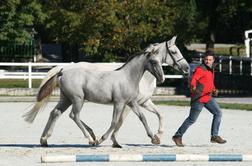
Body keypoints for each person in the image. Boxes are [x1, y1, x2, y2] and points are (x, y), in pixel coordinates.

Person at [172, 51, 226, 147]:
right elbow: (194, 80)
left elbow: (209, 81)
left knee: (218, 113)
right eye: (206, 59)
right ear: (203, 60)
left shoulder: (211, 69)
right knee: (192, 119)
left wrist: (213, 89)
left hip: (208, 97)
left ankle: (214, 135)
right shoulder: (200, 69)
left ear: (213, 60)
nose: (207, 61)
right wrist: (193, 87)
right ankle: (177, 136)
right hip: (199, 98)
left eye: (210, 60)